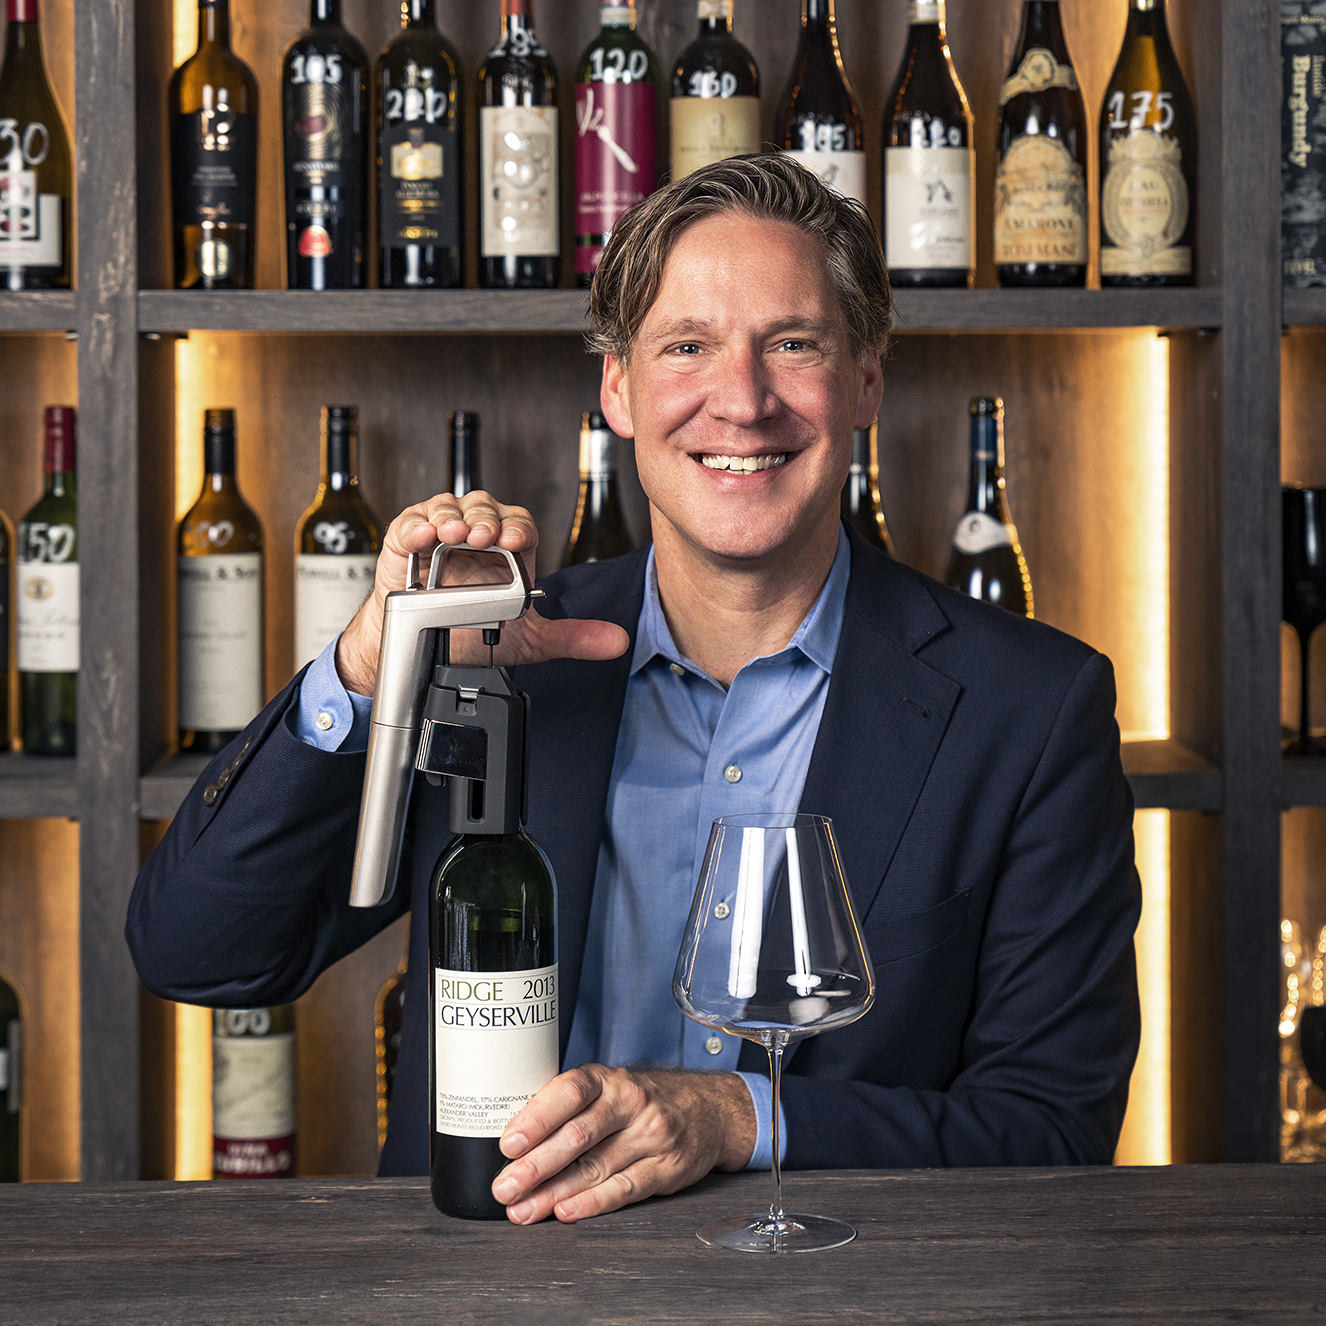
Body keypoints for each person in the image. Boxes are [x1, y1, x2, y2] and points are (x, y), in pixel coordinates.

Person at [128, 155, 1141, 1225]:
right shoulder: (496, 663)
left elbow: (1052, 1131)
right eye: (687, 347)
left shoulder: (1032, 709)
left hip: (836, 1285)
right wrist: (372, 668)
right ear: (617, 388)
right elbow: (201, 952)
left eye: (793, 344)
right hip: (482, 1279)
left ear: (866, 382)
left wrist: (738, 1116)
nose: (741, 401)